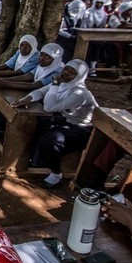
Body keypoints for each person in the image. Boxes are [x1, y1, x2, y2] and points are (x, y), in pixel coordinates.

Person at [12, 60, 98, 188]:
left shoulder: (79, 93)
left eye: (72, 72)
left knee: (50, 140)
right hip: (66, 122)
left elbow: (49, 107)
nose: (66, 73)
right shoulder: (65, 85)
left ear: (79, 77)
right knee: (37, 125)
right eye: (66, 69)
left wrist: (55, 83)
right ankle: (36, 161)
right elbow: (40, 92)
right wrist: (28, 98)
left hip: (83, 130)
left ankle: (56, 175)